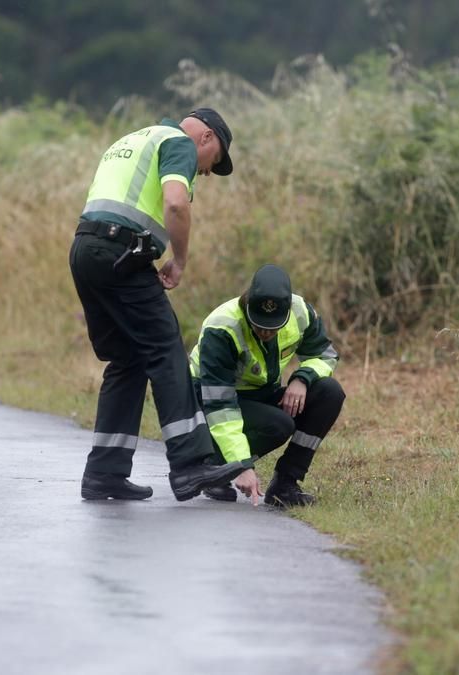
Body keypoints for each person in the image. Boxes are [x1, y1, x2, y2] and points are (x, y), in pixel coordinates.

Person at [69, 108, 246, 501]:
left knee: (128, 359)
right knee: (166, 350)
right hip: (122, 252)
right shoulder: (178, 143)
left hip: (85, 249)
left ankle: (104, 473)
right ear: (206, 139)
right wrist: (179, 261)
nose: (204, 174)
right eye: (211, 164)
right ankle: (191, 465)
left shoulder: (130, 140)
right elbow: (176, 204)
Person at [189, 264, 344, 507]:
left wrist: (302, 378)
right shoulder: (222, 327)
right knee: (279, 425)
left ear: (287, 310)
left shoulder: (301, 312)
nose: (265, 331)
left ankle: (285, 484)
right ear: (247, 304)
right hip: (207, 399)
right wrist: (239, 464)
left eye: (273, 326)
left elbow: (325, 355)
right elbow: (220, 406)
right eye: (259, 323)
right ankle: (213, 467)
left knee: (330, 393)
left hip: (260, 394)